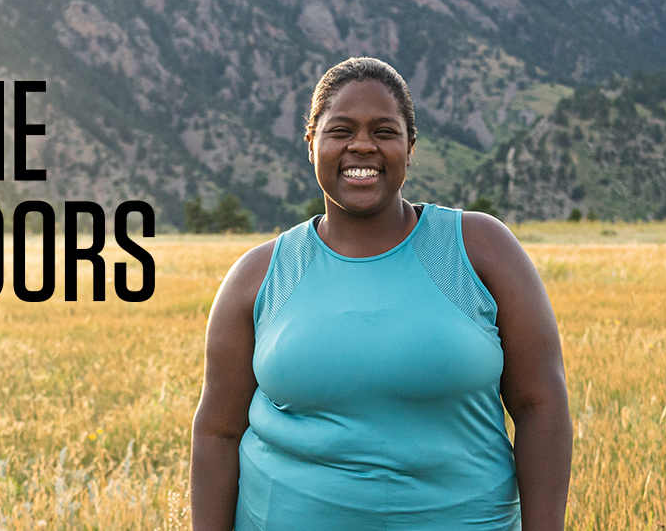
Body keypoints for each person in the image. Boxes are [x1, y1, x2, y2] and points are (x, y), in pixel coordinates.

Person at [189, 57, 573, 530]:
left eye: (385, 132)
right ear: (311, 144)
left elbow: (541, 404)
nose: (362, 146)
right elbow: (217, 432)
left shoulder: (480, 250)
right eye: (340, 130)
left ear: (410, 146)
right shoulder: (259, 275)